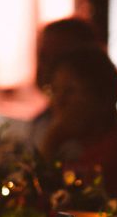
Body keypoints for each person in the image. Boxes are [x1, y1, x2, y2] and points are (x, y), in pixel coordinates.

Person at [39, 46, 117, 210]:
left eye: (70, 91)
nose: (59, 102)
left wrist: (51, 142)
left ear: (102, 98)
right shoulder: (87, 148)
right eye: (55, 90)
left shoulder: (113, 155)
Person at [30, 16, 104, 150]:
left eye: (56, 58)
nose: (44, 66)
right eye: (42, 57)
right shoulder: (41, 122)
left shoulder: (104, 138)